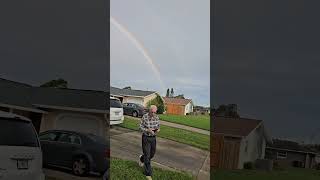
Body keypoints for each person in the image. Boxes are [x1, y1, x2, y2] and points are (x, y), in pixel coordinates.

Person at [138, 105, 160, 180]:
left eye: (154, 112)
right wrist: (148, 130)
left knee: (152, 154)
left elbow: (158, 126)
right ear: (149, 111)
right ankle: (148, 173)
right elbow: (140, 127)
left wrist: (157, 130)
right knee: (147, 155)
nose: (153, 114)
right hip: (146, 138)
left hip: (153, 138)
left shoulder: (157, 117)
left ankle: (141, 158)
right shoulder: (145, 117)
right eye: (152, 112)